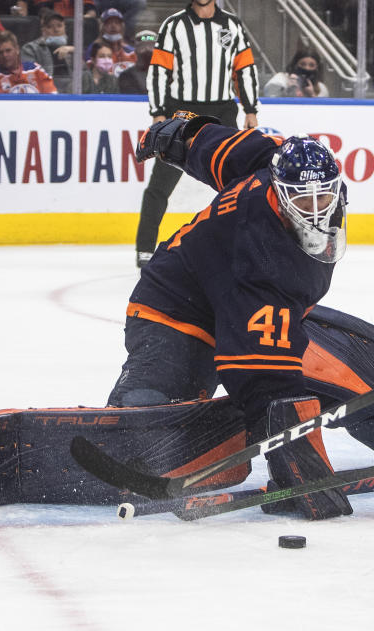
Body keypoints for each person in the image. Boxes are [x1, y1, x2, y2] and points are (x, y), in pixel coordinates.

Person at [116, 112, 352, 520]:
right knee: (157, 416)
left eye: (323, 197)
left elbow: (221, 148)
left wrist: (179, 135)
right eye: (301, 200)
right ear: (279, 195)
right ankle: (126, 430)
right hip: (175, 310)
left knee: (319, 364)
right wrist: (298, 469)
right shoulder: (262, 253)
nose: (315, 211)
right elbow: (262, 375)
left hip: (227, 295)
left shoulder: (273, 160)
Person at [137, 0, 259, 268]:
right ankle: (144, 248)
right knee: (162, 180)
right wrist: (158, 111)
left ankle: (243, 246)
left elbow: (245, 67)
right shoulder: (174, 25)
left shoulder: (232, 25)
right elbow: (159, 70)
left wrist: (250, 108)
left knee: (239, 183)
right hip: (182, 110)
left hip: (223, 111)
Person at [0, 29, 58, 93]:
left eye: (8, 50)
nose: (5, 55)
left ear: (17, 49)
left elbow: (52, 95)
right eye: (0, 52)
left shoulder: (35, 69)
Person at [20, 9, 74, 92]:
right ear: (43, 30)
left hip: (72, 94)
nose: (56, 30)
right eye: (50, 27)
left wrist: (75, 52)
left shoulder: (72, 50)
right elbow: (29, 78)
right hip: (45, 94)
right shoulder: (30, 49)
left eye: (59, 26)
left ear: (65, 28)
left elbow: (85, 77)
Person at [262, 47, 330, 98]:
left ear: (317, 68)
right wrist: (288, 91)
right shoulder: (280, 80)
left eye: (311, 65)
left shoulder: (321, 89)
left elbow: (321, 112)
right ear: (295, 64)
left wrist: (312, 95)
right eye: (303, 64)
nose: (307, 68)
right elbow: (270, 104)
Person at [86, 7, 135, 77]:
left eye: (117, 23)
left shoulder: (130, 51)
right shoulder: (93, 49)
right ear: (102, 27)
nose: (113, 26)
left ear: (122, 27)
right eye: (109, 22)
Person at [117, 28, 154, 94]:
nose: (147, 49)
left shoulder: (167, 75)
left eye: (151, 46)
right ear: (136, 50)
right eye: (143, 47)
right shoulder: (126, 76)